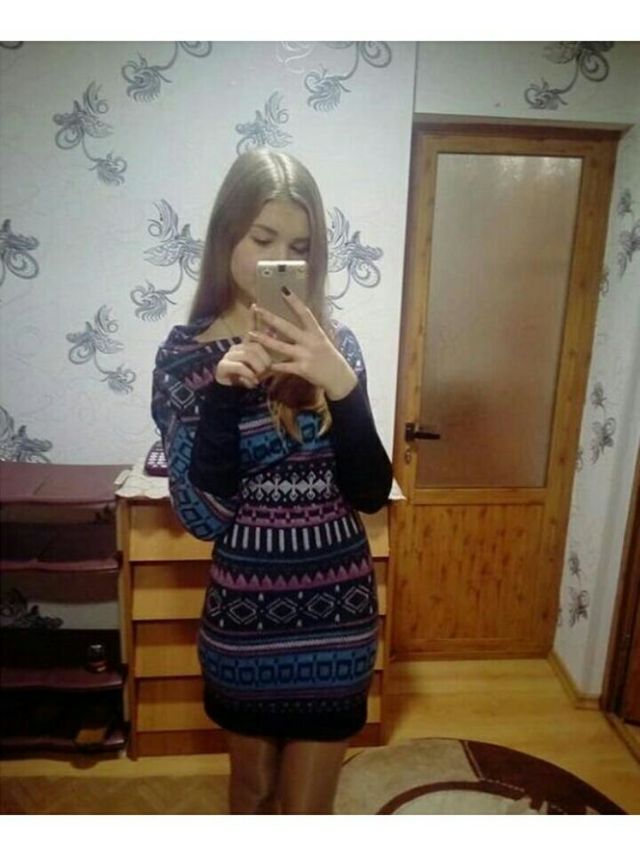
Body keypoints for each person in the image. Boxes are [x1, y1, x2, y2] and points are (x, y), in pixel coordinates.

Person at [151, 149, 392, 814]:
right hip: (244, 621)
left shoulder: (335, 347)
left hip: (336, 617)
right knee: (252, 796)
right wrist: (225, 395)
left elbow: (370, 493)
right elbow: (202, 517)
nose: (279, 258)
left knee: (306, 811)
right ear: (226, 234)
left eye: (299, 247)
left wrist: (340, 383)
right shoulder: (184, 359)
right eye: (262, 239)